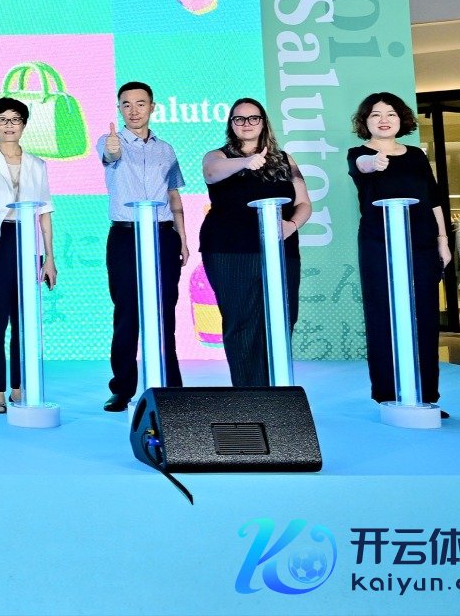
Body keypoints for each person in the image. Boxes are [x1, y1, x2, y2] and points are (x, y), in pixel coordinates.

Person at [347, 92, 452, 412]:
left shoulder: (416, 156)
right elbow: (362, 166)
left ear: (401, 119)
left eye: (390, 114)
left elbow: (433, 199)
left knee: (425, 316)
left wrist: (443, 240)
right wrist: (374, 162)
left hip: (422, 242)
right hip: (379, 244)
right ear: (365, 122)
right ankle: (388, 394)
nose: (384, 120)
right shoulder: (358, 153)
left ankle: (425, 395)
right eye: (375, 114)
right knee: (382, 314)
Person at [198, 99, 312, 388]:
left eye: (253, 118)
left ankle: (277, 390)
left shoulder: (284, 159)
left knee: (283, 318)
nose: (247, 124)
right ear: (231, 124)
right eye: (239, 119)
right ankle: (250, 395)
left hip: (280, 250)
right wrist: (246, 162)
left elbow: (303, 203)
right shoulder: (218, 156)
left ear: (264, 122)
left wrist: (291, 225)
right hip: (230, 250)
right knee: (241, 321)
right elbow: (211, 172)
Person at [97, 80, 188, 411]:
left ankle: (170, 386)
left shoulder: (166, 149)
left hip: (163, 234)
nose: (133, 110)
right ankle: (122, 388)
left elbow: (174, 195)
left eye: (140, 103)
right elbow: (110, 155)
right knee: (127, 312)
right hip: (126, 236)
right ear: (119, 108)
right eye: (126, 104)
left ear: (152, 107)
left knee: (165, 311)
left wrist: (182, 236)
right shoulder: (110, 141)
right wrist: (112, 149)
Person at [0, 97, 56, 414]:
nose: (9, 125)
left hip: (26, 240)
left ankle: (19, 387)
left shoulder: (38, 165)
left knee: (24, 318)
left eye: (15, 119)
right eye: (3, 120)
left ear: (24, 125)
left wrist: (49, 257)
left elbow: (45, 212)